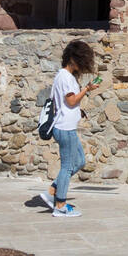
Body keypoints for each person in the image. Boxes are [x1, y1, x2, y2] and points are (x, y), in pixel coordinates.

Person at [40, 40, 99, 218]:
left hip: (67, 126)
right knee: (67, 167)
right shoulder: (65, 77)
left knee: (80, 161)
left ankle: (52, 190)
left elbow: (69, 104)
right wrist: (87, 89)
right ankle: (60, 205)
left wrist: (78, 112)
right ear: (73, 59)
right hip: (64, 128)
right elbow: (71, 100)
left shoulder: (66, 76)